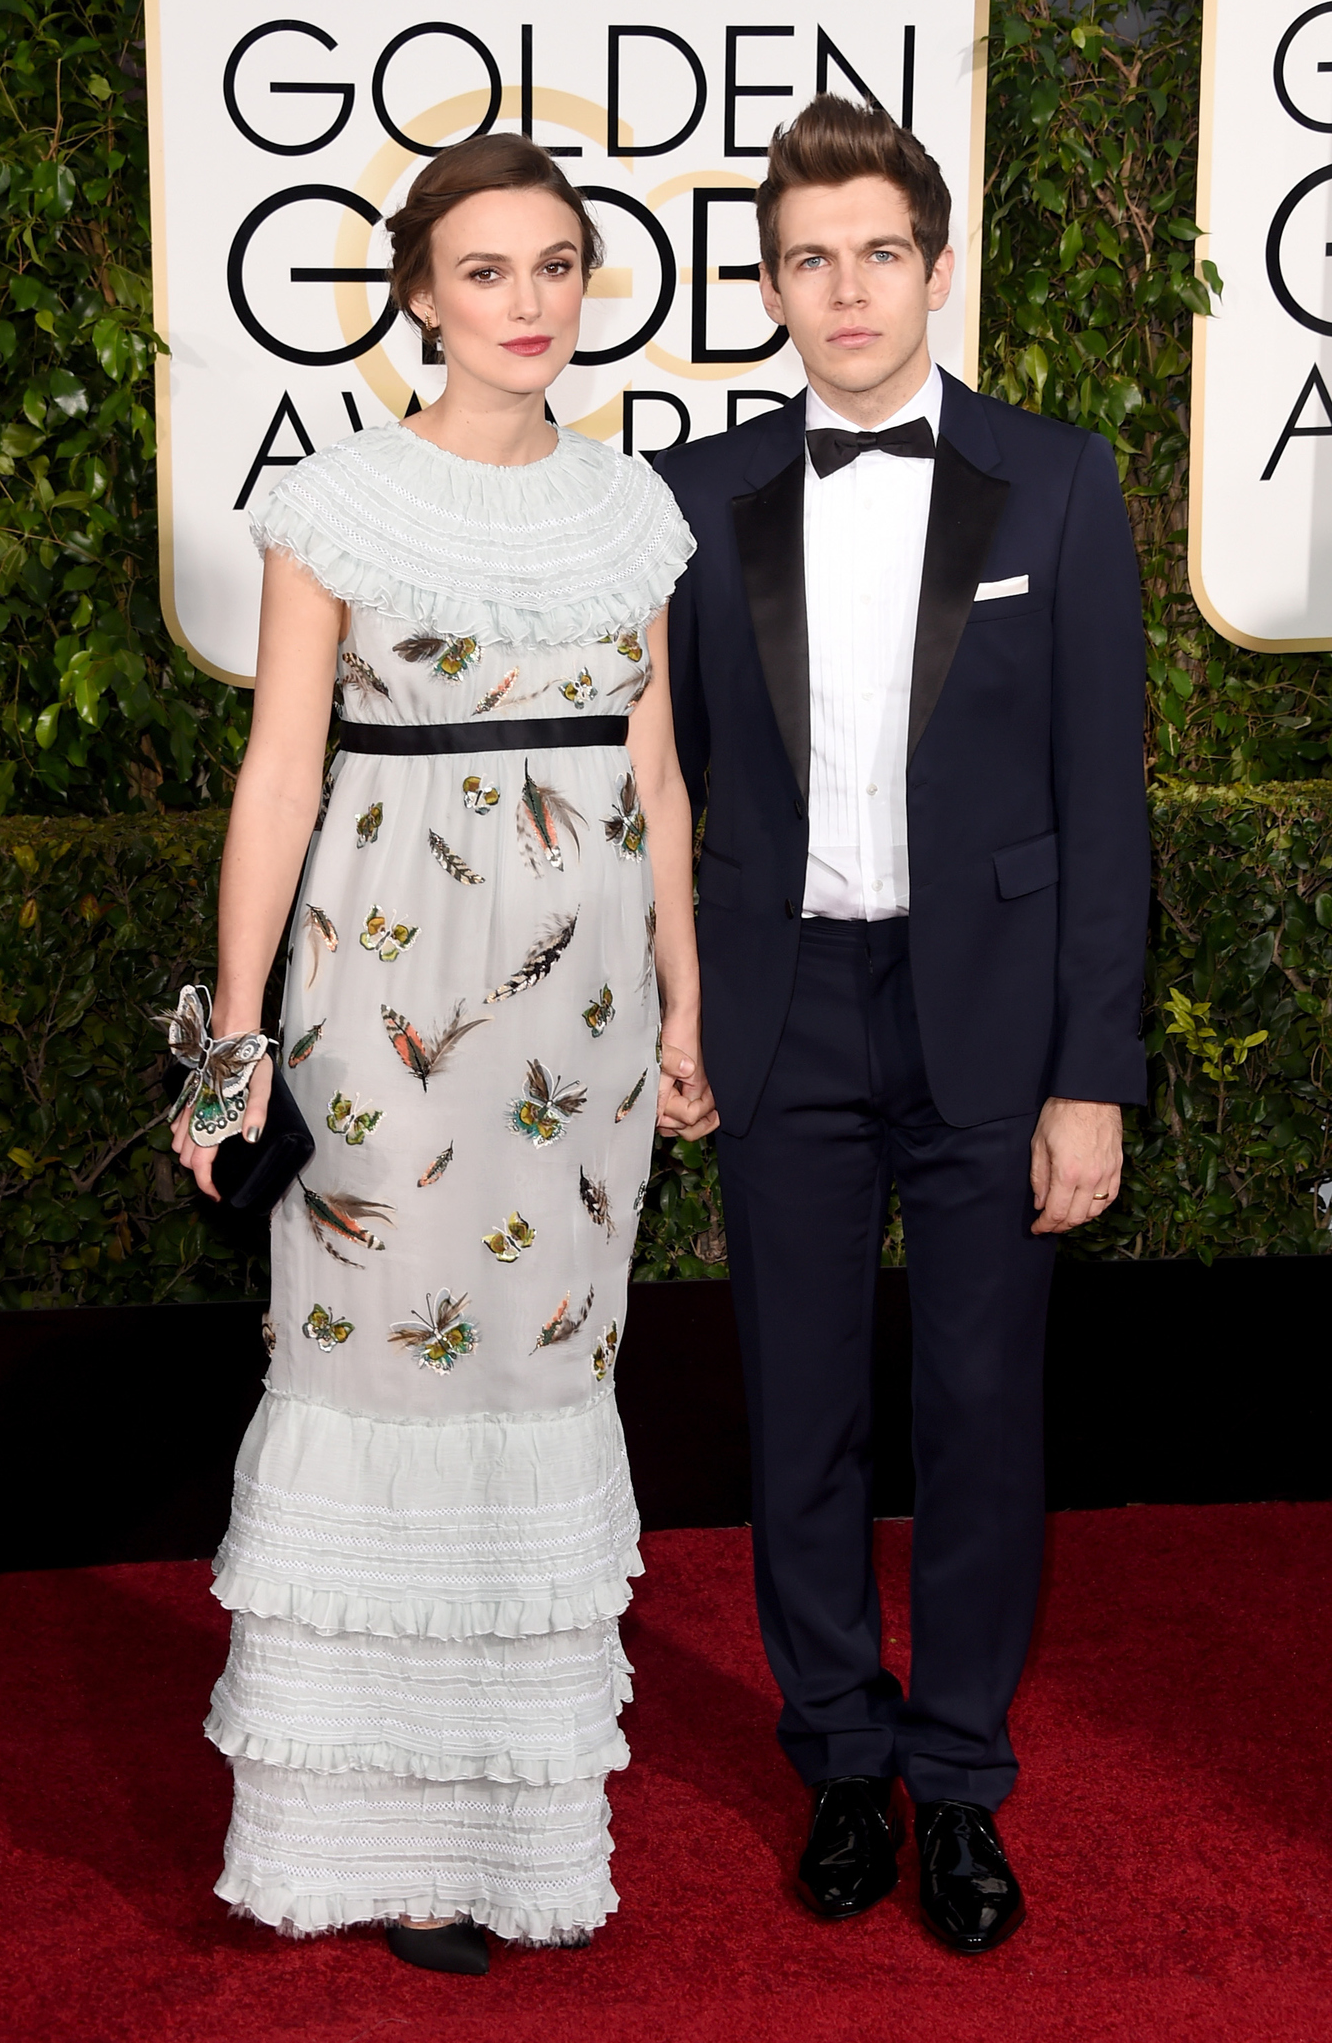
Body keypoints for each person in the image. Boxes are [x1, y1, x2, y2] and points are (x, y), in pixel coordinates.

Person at [168, 132, 715, 1975]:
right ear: (418, 294)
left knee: (536, 1370)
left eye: (556, 264)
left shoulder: (635, 511)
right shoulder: (338, 501)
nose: (529, 302)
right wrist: (234, 1055)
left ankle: (503, 1809)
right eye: (486, 271)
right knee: (381, 1367)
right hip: (380, 998)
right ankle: (369, 1823)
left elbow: (654, 778)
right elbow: (279, 775)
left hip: (584, 1030)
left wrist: (689, 995)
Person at [657, 94, 1148, 1954]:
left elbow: (1106, 806)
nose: (844, 289)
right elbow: (668, 790)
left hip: (994, 1028)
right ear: (769, 285)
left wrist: (1091, 1076)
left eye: (878, 252)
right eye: (807, 258)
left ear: (936, 269)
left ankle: (959, 1784)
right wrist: (682, 1006)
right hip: (786, 1020)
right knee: (799, 1421)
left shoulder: (1063, 481)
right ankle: (836, 1761)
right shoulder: (701, 498)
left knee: (978, 1414)